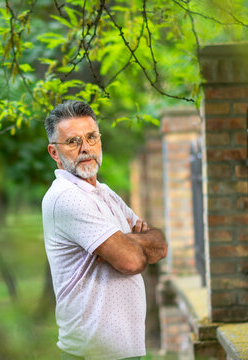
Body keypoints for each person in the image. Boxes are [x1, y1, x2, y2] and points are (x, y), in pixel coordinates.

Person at [41, 100, 167, 360]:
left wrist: (124, 241)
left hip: (124, 348)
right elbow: (130, 261)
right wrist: (131, 244)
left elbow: (160, 245)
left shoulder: (104, 192)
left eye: (91, 137)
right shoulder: (66, 197)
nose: (85, 148)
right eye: (73, 142)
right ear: (55, 153)